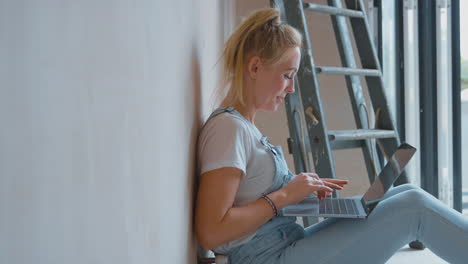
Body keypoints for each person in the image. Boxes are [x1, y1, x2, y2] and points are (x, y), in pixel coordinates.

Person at [195, 8, 468, 264]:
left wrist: (303, 193)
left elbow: (253, 199)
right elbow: (212, 232)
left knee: (405, 192)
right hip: (270, 256)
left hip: (284, 243)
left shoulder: (245, 127)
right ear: (255, 68)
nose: (291, 89)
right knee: (414, 208)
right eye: (287, 75)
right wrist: (286, 195)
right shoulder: (228, 129)